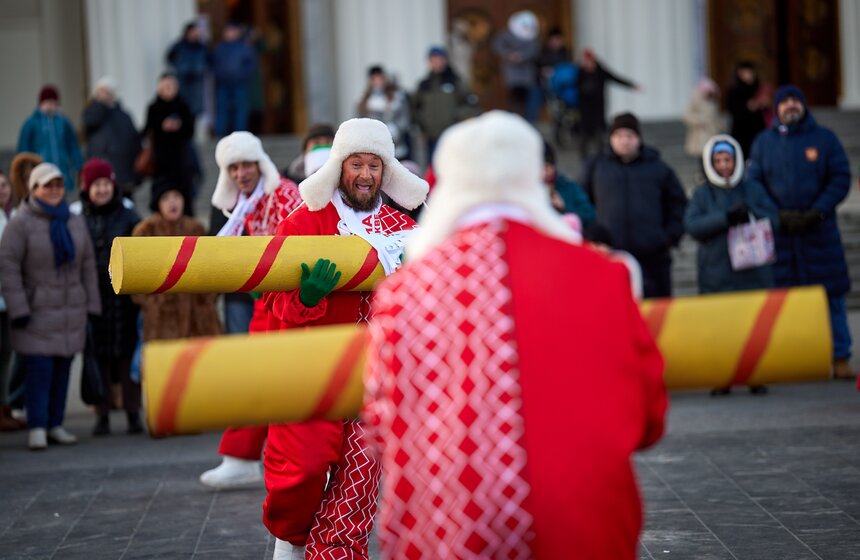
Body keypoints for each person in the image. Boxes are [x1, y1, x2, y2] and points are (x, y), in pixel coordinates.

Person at [363, 110, 667, 559]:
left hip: (450, 534)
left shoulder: (403, 293)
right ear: (535, 177)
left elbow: (379, 429)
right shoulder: (602, 276)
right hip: (583, 529)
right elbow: (648, 417)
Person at [261, 118, 427, 558]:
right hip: (315, 370)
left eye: (375, 165)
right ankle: (290, 542)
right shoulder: (304, 223)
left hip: (376, 376)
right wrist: (307, 298)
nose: (366, 175)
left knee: (359, 481)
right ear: (340, 166)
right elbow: (272, 300)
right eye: (357, 164)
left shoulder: (401, 227)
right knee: (305, 468)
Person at [199, 131, 304, 489]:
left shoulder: (284, 193)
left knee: (276, 379)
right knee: (255, 374)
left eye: (245, 164)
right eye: (233, 167)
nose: (241, 173)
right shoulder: (242, 204)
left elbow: (297, 244)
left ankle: (253, 457)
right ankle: (241, 456)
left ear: (259, 163)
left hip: (289, 298)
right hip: (265, 298)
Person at [747, 84, 854, 380]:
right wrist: (776, 214)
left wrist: (817, 211)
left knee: (831, 296)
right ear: (777, 108)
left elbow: (841, 177)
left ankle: (840, 356)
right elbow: (753, 183)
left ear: (804, 105)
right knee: (783, 301)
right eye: (785, 102)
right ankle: (790, 358)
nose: (790, 106)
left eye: (796, 100)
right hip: (781, 234)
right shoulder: (763, 142)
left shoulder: (825, 139)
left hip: (820, 232)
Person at [0, 163, 100, 450]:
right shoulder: (21, 222)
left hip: (71, 311)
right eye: (48, 185)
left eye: (58, 185)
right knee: (39, 372)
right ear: (34, 189)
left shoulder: (73, 220)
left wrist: (91, 304)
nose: (54, 190)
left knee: (62, 371)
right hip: (36, 312)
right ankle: (37, 426)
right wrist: (18, 308)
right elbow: (8, 267)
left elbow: (88, 266)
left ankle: (55, 424)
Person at [684, 135, 779, 395]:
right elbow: (693, 226)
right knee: (720, 330)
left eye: (728, 159)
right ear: (709, 164)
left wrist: (751, 213)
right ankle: (722, 376)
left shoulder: (752, 188)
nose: (724, 165)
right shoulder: (702, 194)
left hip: (753, 273)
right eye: (718, 160)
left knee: (752, 328)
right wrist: (724, 218)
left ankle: (756, 375)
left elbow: (774, 219)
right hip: (717, 273)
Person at [582, 112, 688, 298]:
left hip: (652, 257)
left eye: (629, 136)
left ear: (638, 138)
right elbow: (582, 204)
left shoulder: (658, 168)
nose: (624, 141)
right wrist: (592, 237)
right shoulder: (596, 167)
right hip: (610, 256)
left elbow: (678, 203)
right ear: (611, 139)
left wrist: (668, 237)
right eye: (619, 136)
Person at [79, 159, 142, 434]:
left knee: (126, 357)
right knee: (99, 356)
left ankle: (133, 413)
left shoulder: (128, 216)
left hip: (124, 296)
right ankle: (102, 415)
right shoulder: (80, 219)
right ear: (87, 188)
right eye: (97, 185)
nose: (102, 190)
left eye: (106, 184)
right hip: (93, 296)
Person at [131, 180, 221, 346]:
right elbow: (134, 273)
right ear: (157, 202)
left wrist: (206, 300)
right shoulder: (146, 231)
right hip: (162, 320)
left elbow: (211, 270)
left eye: (176, 196)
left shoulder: (196, 229)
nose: (172, 202)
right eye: (166, 198)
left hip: (198, 318)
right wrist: (153, 304)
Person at [412, 46, 479, 164]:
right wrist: (422, 128)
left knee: (454, 165)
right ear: (429, 62)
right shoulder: (424, 85)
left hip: (453, 136)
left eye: (439, 59)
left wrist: (456, 116)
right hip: (431, 137)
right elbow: (414, 108)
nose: (436, 62)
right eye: (433, 59)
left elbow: (471, 105)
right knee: (434, 168)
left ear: (445, 60)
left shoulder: (455, 82)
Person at [143, 73, 196, 211]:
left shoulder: (183, 105)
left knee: (184, 196)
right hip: (161, 162)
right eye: (165, 86)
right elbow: (147, 129)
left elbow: (190, 131)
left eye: (171, 86)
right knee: (161, 193)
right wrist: (162, 126)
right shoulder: (153, 107)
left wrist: (179, 125)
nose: (168, 89)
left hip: (181, 162)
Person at [82, 77, 142, 196]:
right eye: (101, 92)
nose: (104, 95)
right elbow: (90, 121)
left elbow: (135, 143)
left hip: (123, 175)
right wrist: (99, 104)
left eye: (107, 92)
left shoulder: (124, 116)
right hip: (101, 174)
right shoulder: (92, 113)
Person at [17, 86, 83, 193]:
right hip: (41, 172)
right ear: (41, 103)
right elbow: (23, 149)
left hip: (63, 171)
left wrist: (79, 167)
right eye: (48, 102)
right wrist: (25, 171)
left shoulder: (63, 122)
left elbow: (73, 147)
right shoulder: (31, 123)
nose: (50, 106)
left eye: (53, 103)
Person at [576, 50, 639, 160]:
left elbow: (616, 78)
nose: (588, 64)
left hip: (598, 109)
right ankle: (584, 159)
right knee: (584, 136)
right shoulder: (579, 73)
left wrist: (631, 85)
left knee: (599, 135)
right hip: (584, 110)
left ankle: (601, 157)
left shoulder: (600, 72)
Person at [0, 170, 21, 431]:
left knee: (6, 354)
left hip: (9, 300)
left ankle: (4, 406)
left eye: (4, 184)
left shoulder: (14, 216)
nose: (2, 189)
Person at [491, 10, 540, 121]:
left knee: (525, 102)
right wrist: (508, 55)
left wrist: (521, 56)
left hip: (527, 77)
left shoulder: (532, 38)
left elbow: (534, 50)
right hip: (512, 76)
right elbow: (498, 45)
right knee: (513, 100)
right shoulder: (507, 35)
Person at [211, 22, 257, 137]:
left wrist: (242, 74)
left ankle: (240, 135)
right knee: (222, 110)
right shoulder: (219, 48)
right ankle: (220, 135)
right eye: (227, 31)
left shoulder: (244, 47)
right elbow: (212, 63)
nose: (230, 34)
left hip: (239, 83)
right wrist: (219, 74)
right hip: (223, 83)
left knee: (240, 110)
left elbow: (251, 64)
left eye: (232, 31)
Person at [357, 66, 412, 159]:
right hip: (373, 145)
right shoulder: (363, 99)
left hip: (396, 145)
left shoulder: (397, 96)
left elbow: (405, 118)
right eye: (374, 79)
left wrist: (396, 130)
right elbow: (358, 120)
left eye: (380, 78)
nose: (378, 81)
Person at [543, 141, 594, 228]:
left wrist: (565, 207)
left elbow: (590, 216)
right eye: (540, 166)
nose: (544, 172)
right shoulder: (525, 190)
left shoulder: (569, 187)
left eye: (548, 166)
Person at [167, 21, 209, 117]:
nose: (195, 34)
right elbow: (169, 58)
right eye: (193, 31)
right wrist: (179, 66)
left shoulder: (201, 47)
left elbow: (209, 60)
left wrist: (202, 68)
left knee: (195, 110)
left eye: (197, 32)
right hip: (182, 79)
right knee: (181, 106)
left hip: (197, 81)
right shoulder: (179, 46)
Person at [726, 61, 768, 158]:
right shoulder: (735, 90)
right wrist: (747, 107)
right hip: (742, 130)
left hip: (757, 128)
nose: (748, 75)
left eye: (750, 72)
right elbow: (732, 109)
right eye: (745, 73)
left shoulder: (758, 87)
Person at [683, 78, 723, 157]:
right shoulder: (695, 100)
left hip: (712, 132)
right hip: (700, 133)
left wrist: (720, 127)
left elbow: (716, 117)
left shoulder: (713, 100)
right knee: (703, 156)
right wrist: (700, 120)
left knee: (711, 155)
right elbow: (686, 115)